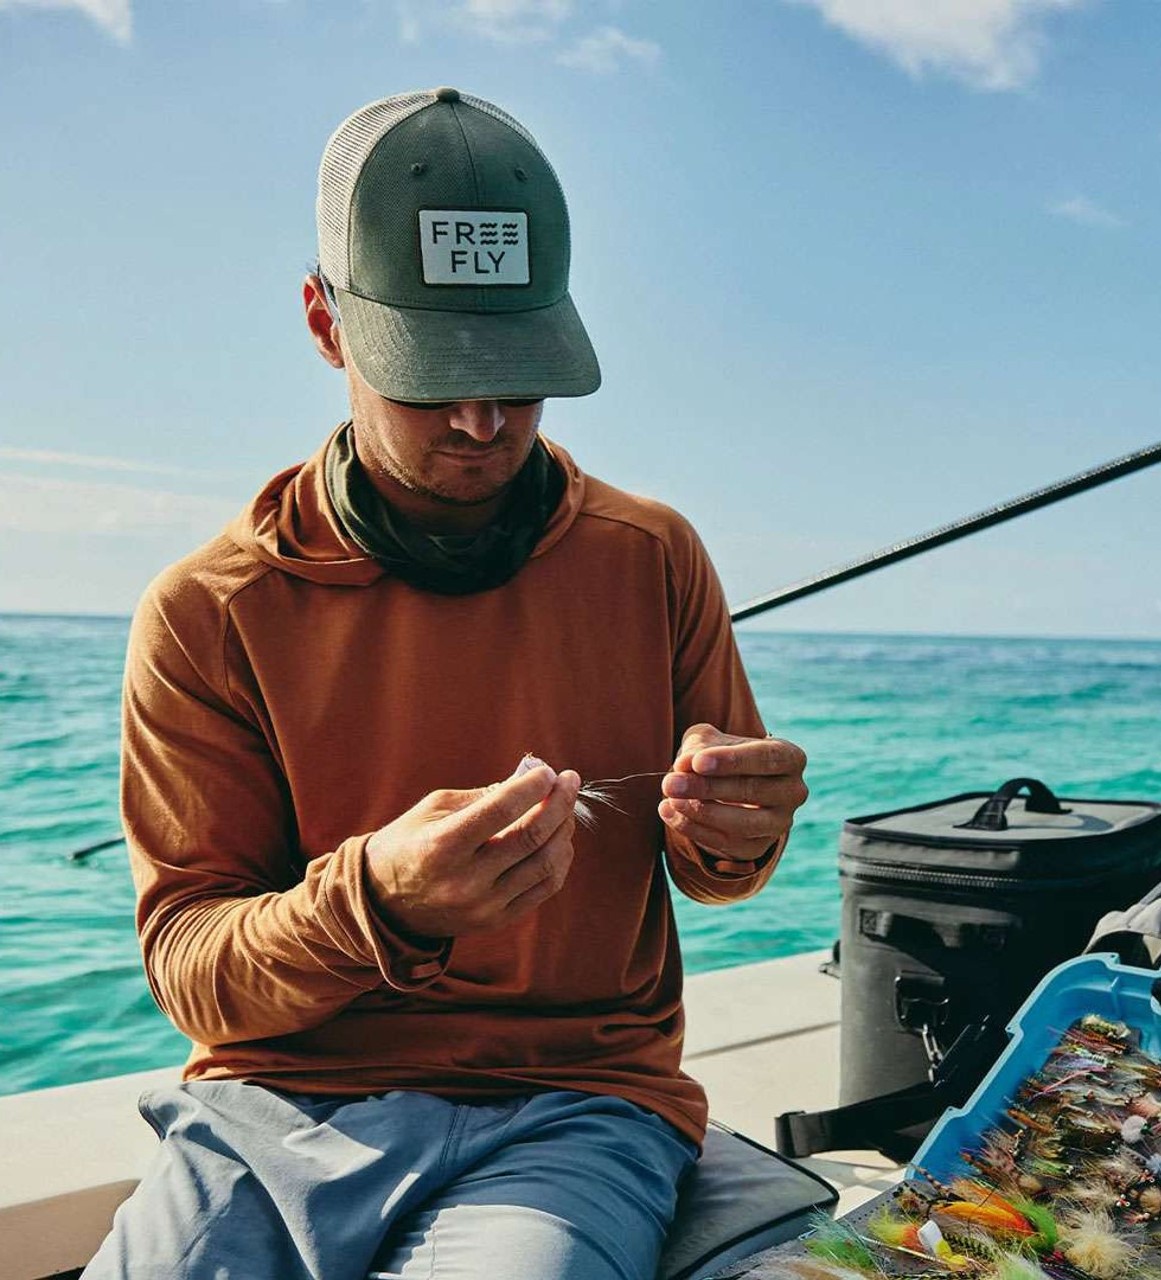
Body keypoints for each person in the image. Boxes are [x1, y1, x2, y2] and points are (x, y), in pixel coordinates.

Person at [83, 87, 809, 1280]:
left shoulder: (654, 555)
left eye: (519, 375)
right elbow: (196, 979)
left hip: (577, 1103)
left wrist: (737, 831)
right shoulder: (208, 610)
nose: (481, 419)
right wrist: (379, 900)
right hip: (271, 1108)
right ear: (325, 326)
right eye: (432, 375)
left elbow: (716, 874)